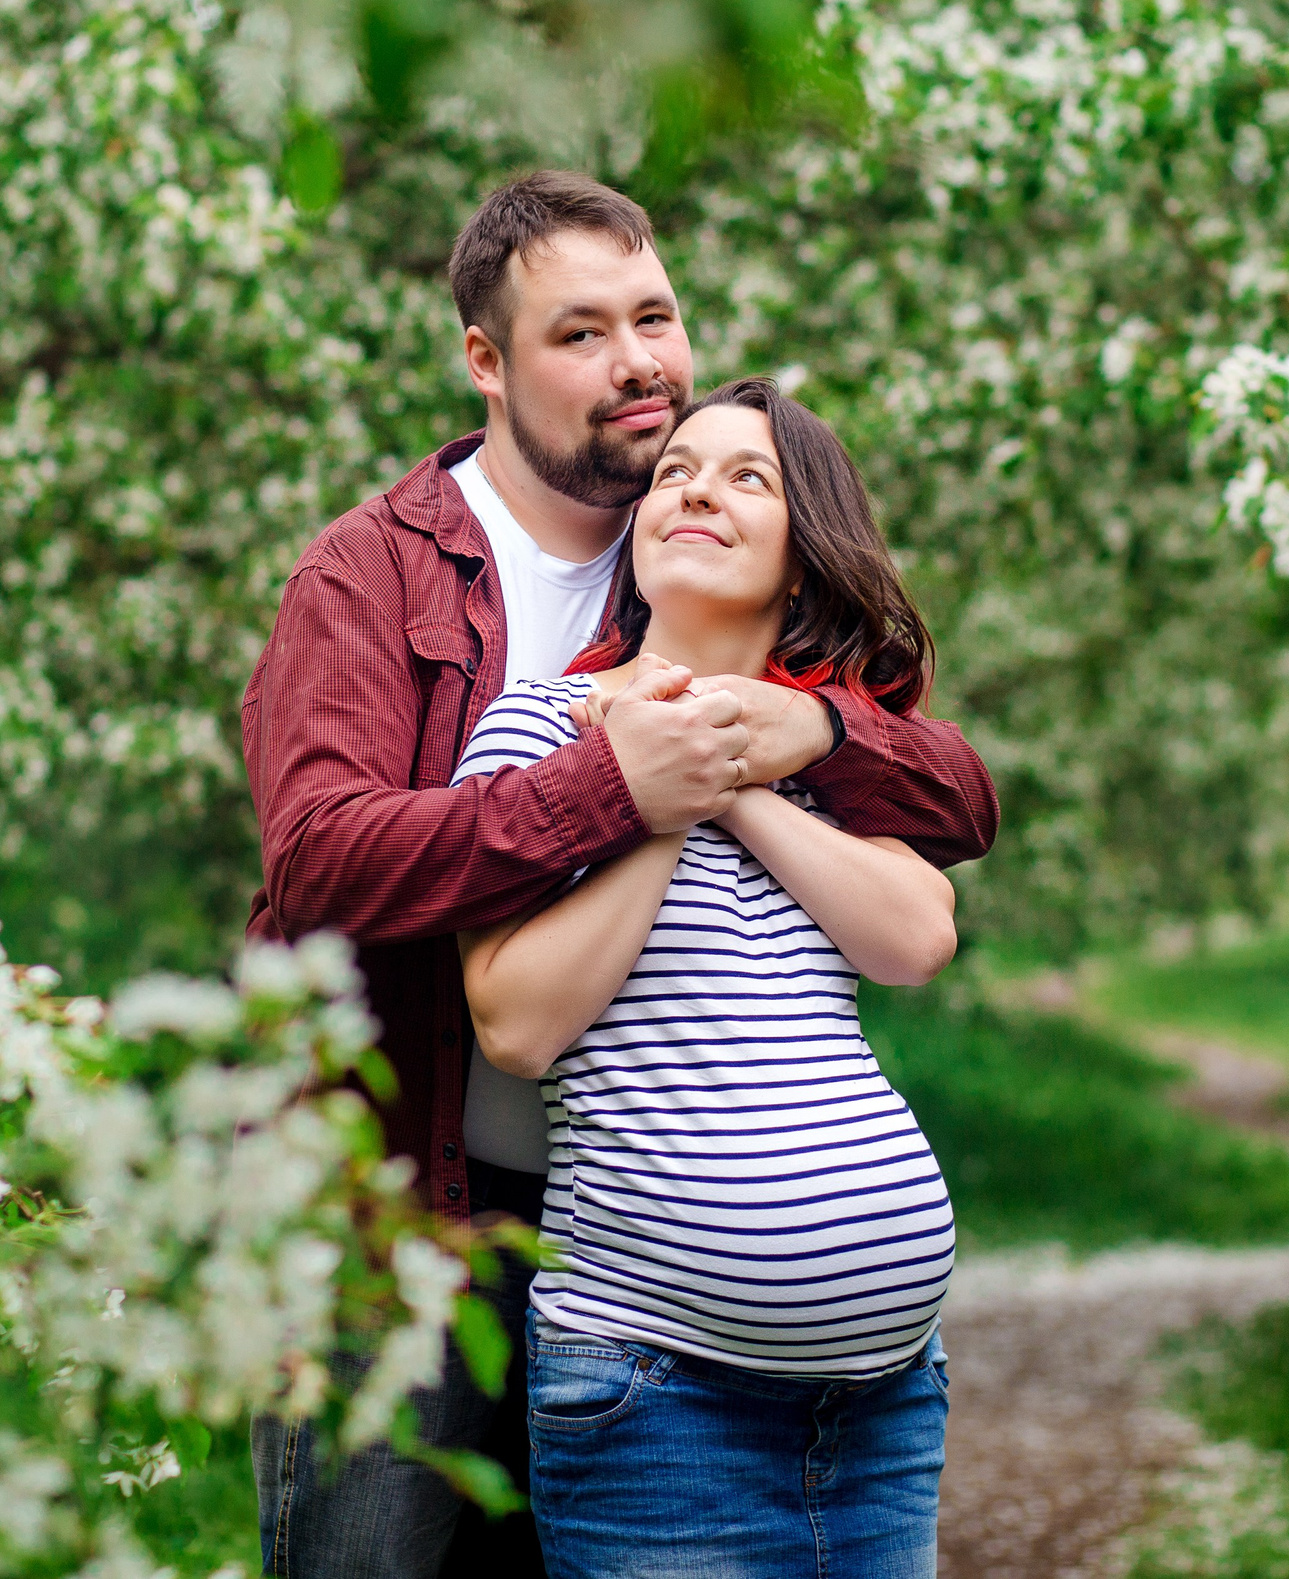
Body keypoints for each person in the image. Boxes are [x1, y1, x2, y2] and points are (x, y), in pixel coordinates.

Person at [240, 173, 997, 1578]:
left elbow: (952, 797)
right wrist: (619, 784)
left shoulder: (708, 562)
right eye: (580, 333)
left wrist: (810, 726)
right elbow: (318, 861)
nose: (636, 361)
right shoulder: (373, 575)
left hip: (632, 1216)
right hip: (409, 1216)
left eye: (654, 316)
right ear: (487, 360)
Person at [453, 376, 958, 1579]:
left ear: (800, 561)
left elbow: (915, 937)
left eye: (749, 477)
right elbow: (515, 1025)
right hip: (655, 1402)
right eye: (676, 469)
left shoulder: (823, 743)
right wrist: (650, 796)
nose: (696, 490)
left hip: (885, 1408)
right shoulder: (538, 730)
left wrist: (733, 776)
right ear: (633, 546)